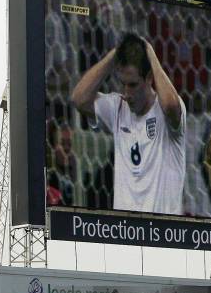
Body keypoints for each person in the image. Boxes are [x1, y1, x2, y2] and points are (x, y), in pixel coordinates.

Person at [72, 33, 186, 215]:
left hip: (164, 234)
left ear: (149, 78)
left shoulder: (165, 110)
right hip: (126, 233)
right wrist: (116, 53)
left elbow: (172, 105)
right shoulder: (117, 107)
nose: (126, 93)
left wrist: (151, 54)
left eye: (132, 85)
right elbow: (79, 99)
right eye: (122, 84)